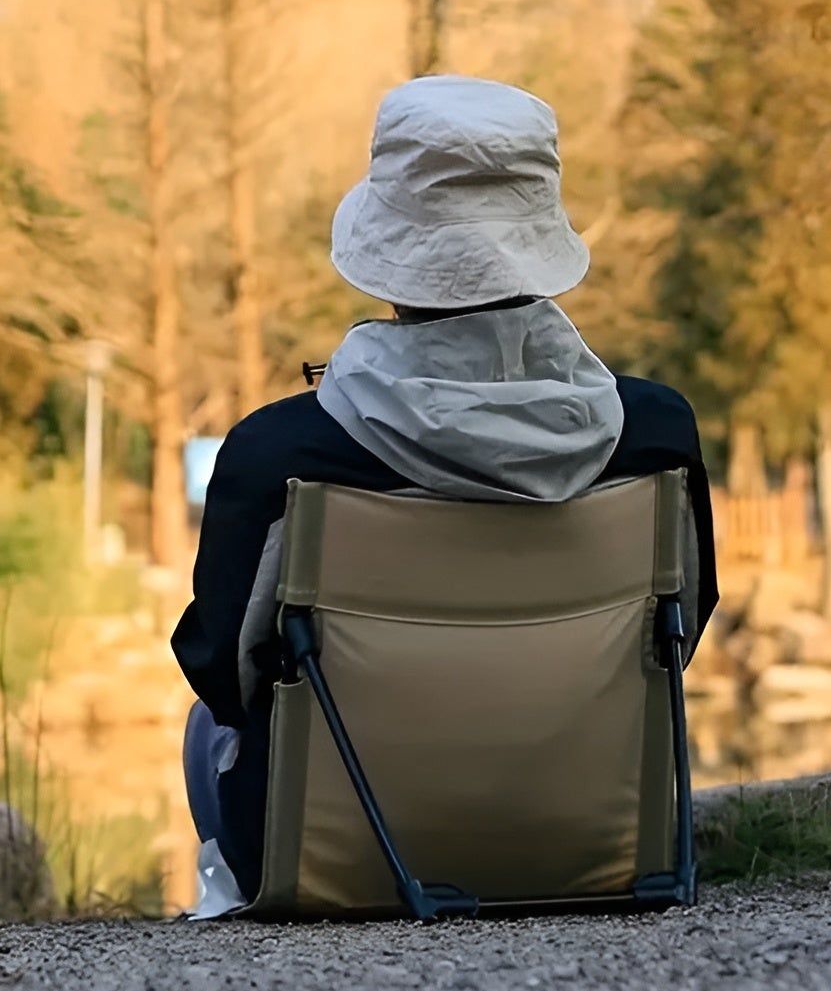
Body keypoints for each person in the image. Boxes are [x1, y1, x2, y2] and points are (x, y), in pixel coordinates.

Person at [170, 74, 717, 914]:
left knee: (207, 731)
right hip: (595, 845)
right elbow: (677, 638)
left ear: (392, 250)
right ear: (540, 240)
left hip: (338, 858)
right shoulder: (655, 437)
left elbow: (223, 676)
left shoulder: (276, 454)